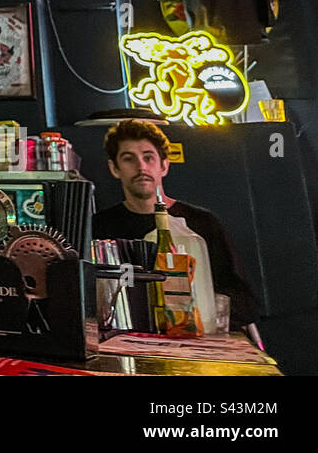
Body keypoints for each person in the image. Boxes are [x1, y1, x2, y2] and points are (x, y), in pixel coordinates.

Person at [92, 119, 260, 329]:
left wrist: (200, 310)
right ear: (114, 168)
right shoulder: (99, 227)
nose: (141, 166)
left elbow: (244, 301)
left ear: (164, 165)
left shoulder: (201, 223)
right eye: (128, 159)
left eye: (148, 157)